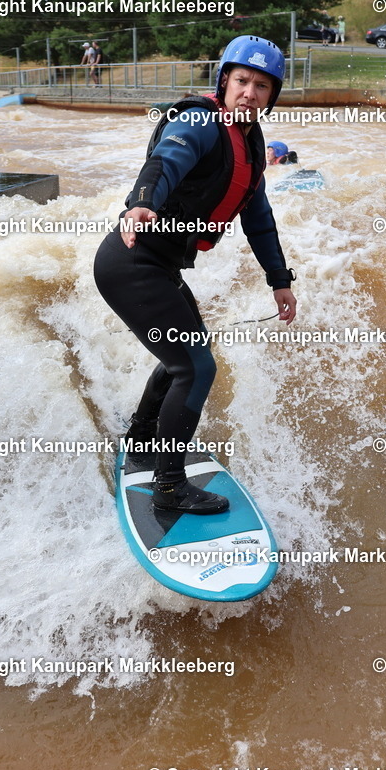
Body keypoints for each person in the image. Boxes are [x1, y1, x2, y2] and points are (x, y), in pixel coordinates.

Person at [93, 35, 297, 515]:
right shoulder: (200, 120)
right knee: (196, 367)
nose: (250, 92)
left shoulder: (248, 144)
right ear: (224, 81)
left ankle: (142, 439)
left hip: (157, 265)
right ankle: (169, 486)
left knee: (186, 356)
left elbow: (259, 218)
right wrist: (141, 202)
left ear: (272, 95)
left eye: (262, 86)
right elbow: (167, 159)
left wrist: (279, 280)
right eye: (242, 80)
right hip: (131, 260)